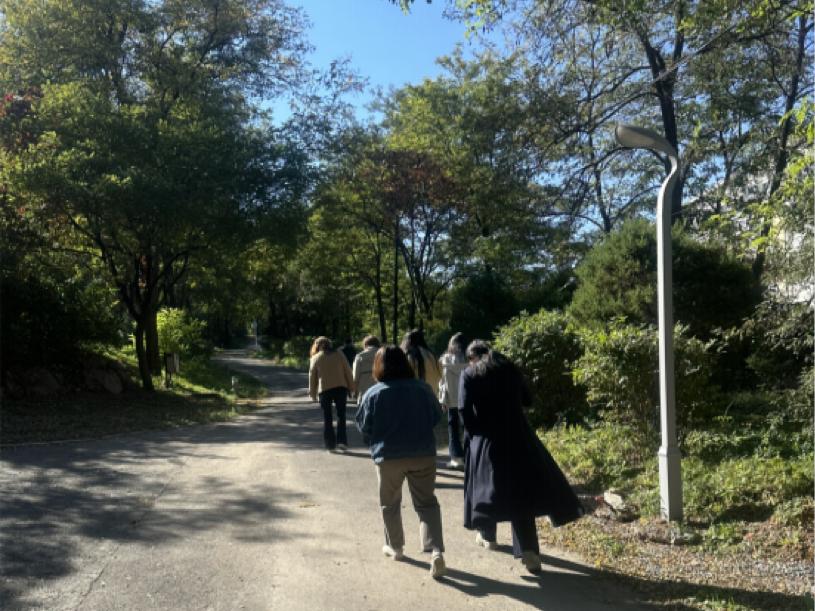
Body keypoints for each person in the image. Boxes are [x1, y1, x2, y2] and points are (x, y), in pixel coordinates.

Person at [459, 340, 583, 574]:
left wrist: (476, 434)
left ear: (473, 358)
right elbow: (528, 400)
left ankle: (487, 535)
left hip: (488, 438)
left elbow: (464, 410)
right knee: (520, 494)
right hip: (519, 437)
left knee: (486, 491)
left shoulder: (469, 374)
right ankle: (529, 551)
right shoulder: (510, 369)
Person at [355, 345, 447, 579]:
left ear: (378, 366)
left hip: (388, 456)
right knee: (426, 503)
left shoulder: (373, 393)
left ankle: (396, 548)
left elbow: (364, 426)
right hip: (423, 453)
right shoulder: (423, 388)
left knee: (390, 503)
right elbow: (436, 416)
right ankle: (436, 550)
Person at [309, 336, 354, 452]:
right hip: (341, 388)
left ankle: (330, 445)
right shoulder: (339, 354)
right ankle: (342, 441)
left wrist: (313, 394)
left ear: (317, 346)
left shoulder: (316, 358)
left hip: (324, 390)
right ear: (330, 344)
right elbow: (348, 370)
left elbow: (312, 377)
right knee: (341, 415)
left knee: (327, 418)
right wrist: (352, 387)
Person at [438, 332, 468, 470]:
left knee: (453, 429)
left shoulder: (445, 361)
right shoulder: (470, 359)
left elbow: (443, 384)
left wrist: (443, 400)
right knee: (468, 428)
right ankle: (470, 456)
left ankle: (456, 459)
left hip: (452, 401)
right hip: (467, 400)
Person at [352, 335, 381, 401]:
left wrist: (354, 390)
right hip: (380, 388)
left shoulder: (360, 356)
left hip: (364, 389)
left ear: (365, 344)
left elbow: (355, 376)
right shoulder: (383, 354)